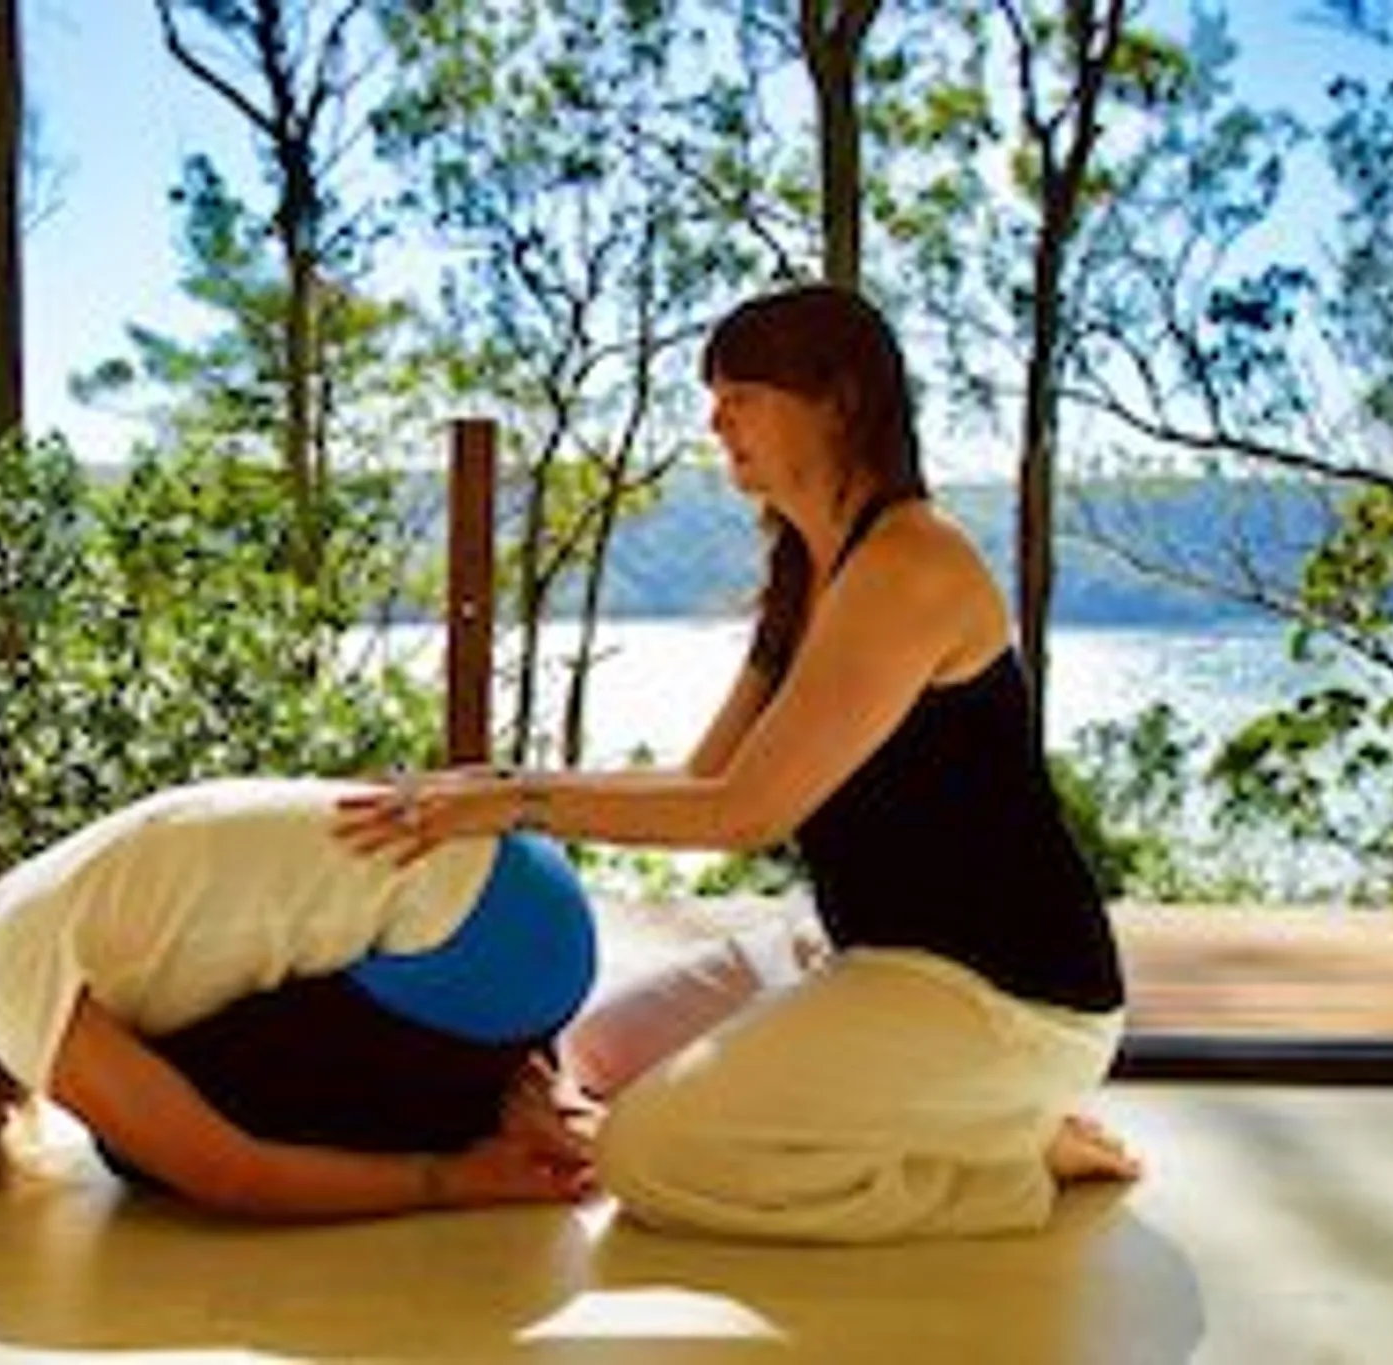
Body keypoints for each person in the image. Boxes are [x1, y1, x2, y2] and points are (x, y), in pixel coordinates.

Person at [334, 283, 1143, 1244]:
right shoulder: (810, 577)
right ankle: (957, 1117)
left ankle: (1004, 1159)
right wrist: (495, 783)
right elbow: (702, 781)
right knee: (587, 1053)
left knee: (645, 1156)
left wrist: (510, 801)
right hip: (862, 949)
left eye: (741, 392)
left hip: (1002, 997)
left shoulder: (911, 562)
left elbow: (743, 814)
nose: (715, 419)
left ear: (837, 400)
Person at [0, 777, 598, 1219]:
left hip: (494, 961)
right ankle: (502, 1079)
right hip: (523, 885)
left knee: (148, 1155)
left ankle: (490, 1110)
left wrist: (451, 1182)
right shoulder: (6, 913)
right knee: (169, 1087)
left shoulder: (9, 998)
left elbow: (229, 1171)